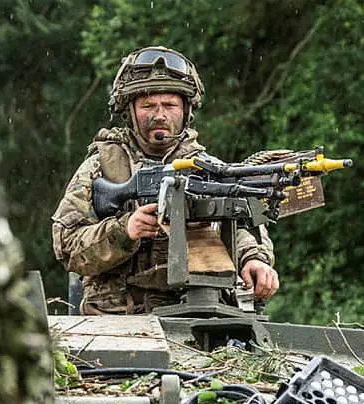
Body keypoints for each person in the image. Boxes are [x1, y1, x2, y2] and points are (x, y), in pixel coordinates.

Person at [52, 46, 279, 315]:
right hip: (116, 321)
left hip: (196, 313)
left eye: (170, 105)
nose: (159, 115)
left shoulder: (210, 169)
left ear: (186, 110)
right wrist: (125, 230)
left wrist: (252, 259)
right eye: (148, 105)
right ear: (130, 111)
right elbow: (68, 247)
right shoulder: (101, 166)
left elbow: (241, 227)